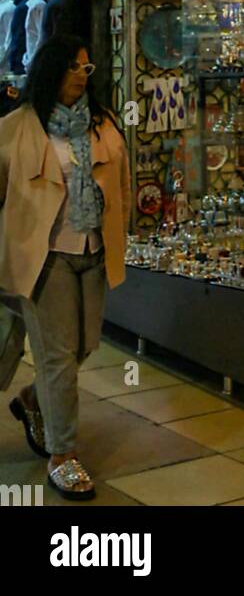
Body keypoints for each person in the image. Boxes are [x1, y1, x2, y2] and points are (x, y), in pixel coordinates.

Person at [0, 34, 130, 500]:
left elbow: (121, 188)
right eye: (74, 67)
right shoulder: (16, 128)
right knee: (57, 359)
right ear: (51, 70)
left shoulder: (104, 125)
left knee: (83, 348)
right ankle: (63, 455)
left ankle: (33, 401)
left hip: (92, 253)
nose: (81, 75)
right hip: (44, 259)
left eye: (87, 68)